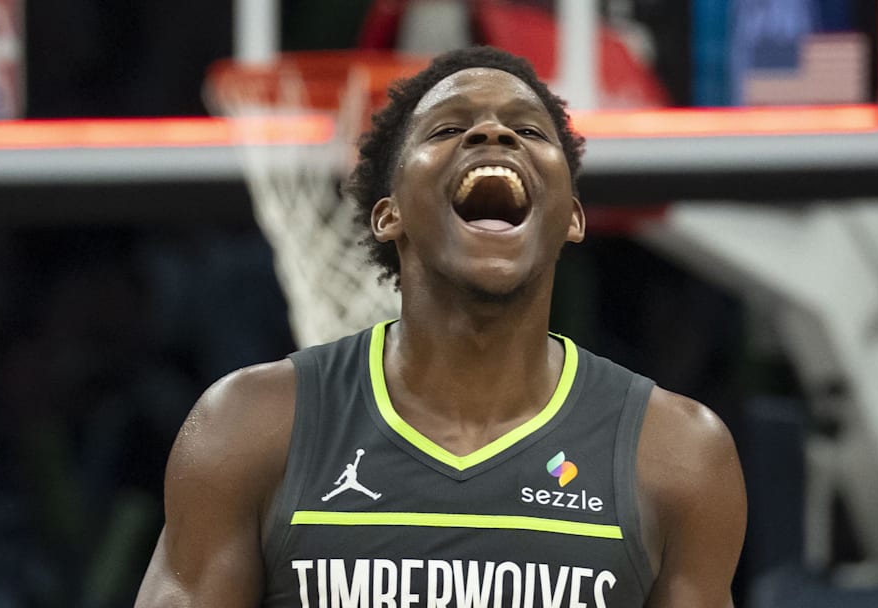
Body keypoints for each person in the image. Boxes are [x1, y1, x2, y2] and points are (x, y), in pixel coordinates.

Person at [135, 46, 746, 607]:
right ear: (387, 214)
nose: (493, 131)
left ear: (573, 219)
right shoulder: (249, 427)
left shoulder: (675, 453)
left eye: (528, 130)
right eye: (449, 128)